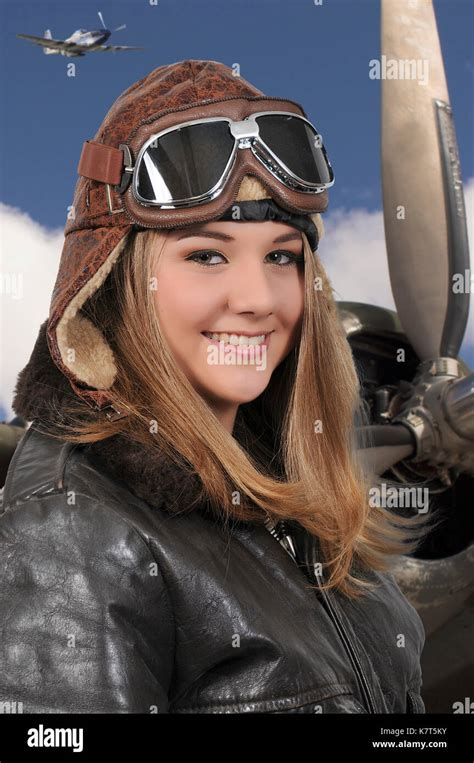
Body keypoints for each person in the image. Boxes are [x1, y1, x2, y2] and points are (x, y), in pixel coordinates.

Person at [0, 59, 434, 714]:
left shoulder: (314, 517)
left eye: (282, 256)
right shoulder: (72, 524)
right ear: (117, 276)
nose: (258, 299)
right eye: (207, 254)